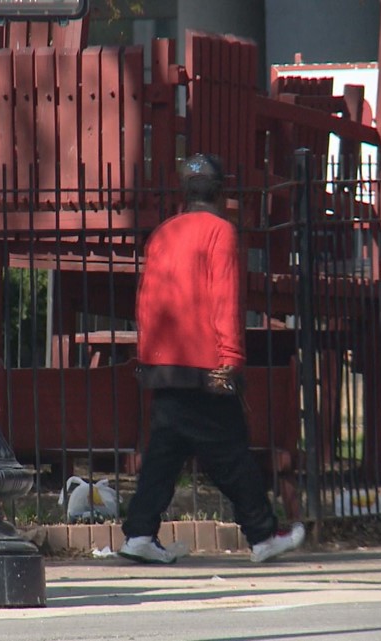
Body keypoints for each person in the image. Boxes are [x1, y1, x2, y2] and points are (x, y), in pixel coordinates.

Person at [118, 153, 305, 564]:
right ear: (221, 193)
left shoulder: (163, 234)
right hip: (205, 364)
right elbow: (225, 301)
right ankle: (262, 535)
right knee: (231, 451)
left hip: (163, 362)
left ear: (184, 193)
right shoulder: (220, 232)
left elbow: (147, 300)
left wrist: (147, 355)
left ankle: (139, 534)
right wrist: (231, 361)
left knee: (164, 454)